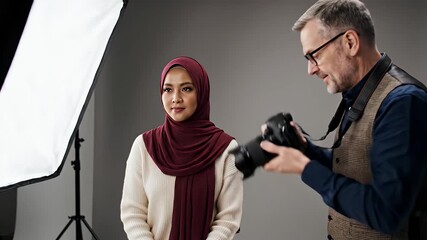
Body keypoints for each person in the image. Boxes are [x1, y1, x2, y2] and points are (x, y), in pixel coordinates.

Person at [260, 0, 427, 239]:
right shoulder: (362, 92)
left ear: (350, 42)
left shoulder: (403, 103)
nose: (311, 70)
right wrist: (305, 150)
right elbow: (358, 167)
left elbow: (387, 213)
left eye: (313, 55)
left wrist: (304, 168)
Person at [120, 56, 243, 240]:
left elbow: (228, 220)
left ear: (201, 92)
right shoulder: (144, 146)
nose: (176, 98)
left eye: (186, 89)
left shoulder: (226, 149)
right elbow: (132, 214)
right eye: (168, 90)